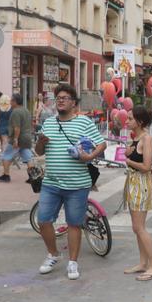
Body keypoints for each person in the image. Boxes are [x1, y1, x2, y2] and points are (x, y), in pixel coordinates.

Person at [34, 83, 108, 280]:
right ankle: (53, 254)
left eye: (65, 98)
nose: (60, 100)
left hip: (77, 185)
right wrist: (40, 143)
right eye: (58, 97)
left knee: (74, 224)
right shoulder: (49, 123)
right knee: (43, 220)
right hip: (51, 183)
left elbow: (102, 144)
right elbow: (39, 151)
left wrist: (88, 156)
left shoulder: (83, 122)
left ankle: (73, 262)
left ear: (73, 103)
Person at [123, 105, 152, 281]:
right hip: (133, 184)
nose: (127, 121)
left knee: (140, 227)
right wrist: (128, 154)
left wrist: (128, 161)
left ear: (139, 121)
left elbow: (147, 167)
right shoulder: (136, 138)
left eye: (130, 118)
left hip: (141, 184)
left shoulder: (146, 139)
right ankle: (143, 262)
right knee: (136, 227)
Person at [0, 94, 33, 183]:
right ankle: (33, 177)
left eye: (11, 101)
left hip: (18, 138)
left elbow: (17, 127)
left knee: (6, 156)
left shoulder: (16, 112)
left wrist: (15, 139)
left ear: (15, 102)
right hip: (27, 137)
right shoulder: (26, 110)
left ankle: (6, 175)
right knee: (28, 157)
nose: (10, 102)